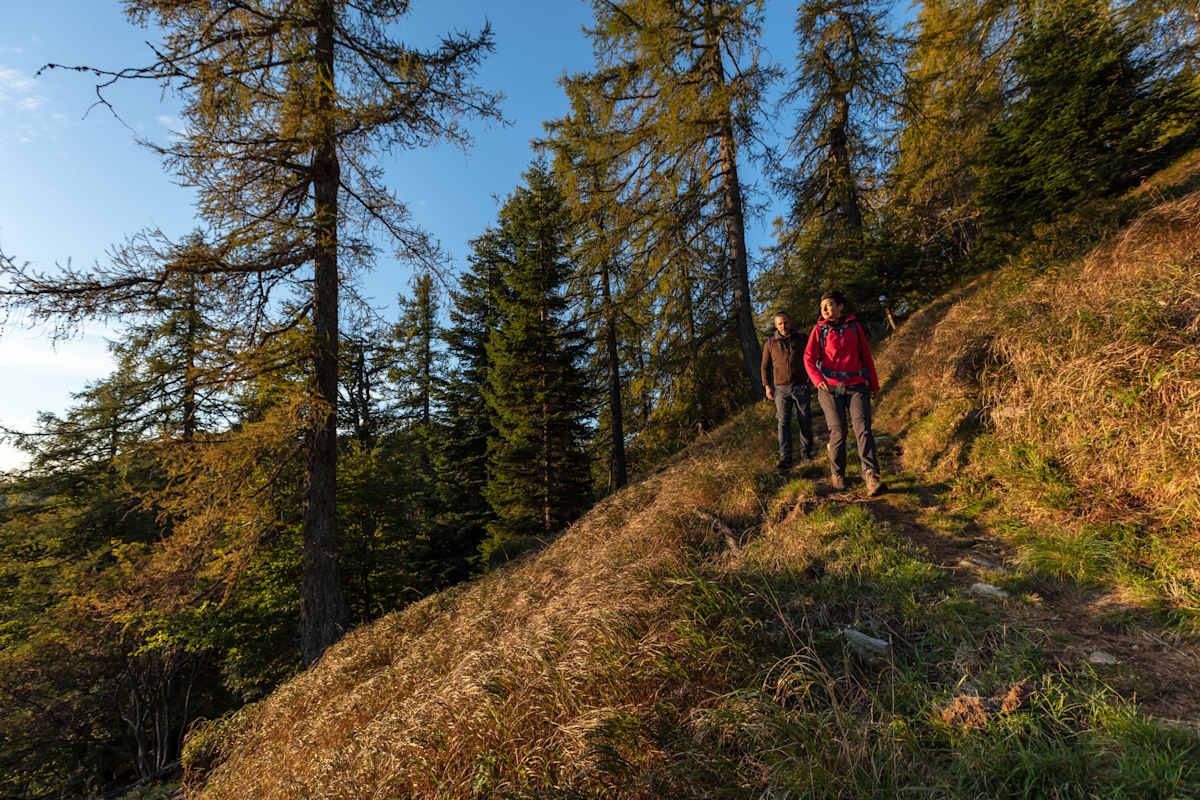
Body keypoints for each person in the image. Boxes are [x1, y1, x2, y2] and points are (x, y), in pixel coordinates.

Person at [803, 291, 886, 495]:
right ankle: (838, 473)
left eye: (829, 305)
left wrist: (873, 385)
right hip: (829, 389)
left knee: (863, 428)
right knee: (838, 431)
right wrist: (817, 379)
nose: (825, 309)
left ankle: (870, 475)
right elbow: (808, 358)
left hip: (857, 385)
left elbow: (866, 356)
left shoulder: (855, 327)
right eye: (822, 306)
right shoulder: (818, 331)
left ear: (841, 307)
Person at [762, 310, 814, 471]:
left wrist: (813, 379)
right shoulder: (770, 343)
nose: (783, 326)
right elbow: (765, 367)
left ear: (790, 322)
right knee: (783, 423)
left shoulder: (802, 338)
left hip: (801, 386)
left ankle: (807, 454)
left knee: (804, 420)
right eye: (779, 323)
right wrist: (767, 386)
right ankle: (786, 457)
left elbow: (812, 358)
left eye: (785, 322)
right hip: (781, 389)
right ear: (775, 325)